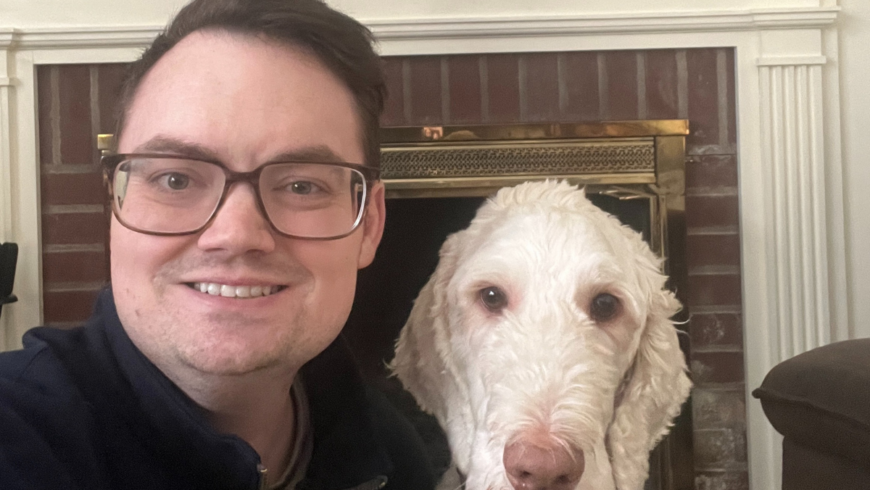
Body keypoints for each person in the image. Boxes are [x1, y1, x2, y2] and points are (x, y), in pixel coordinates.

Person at [0, 0, 436, 489]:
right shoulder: (18, 437)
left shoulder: (390, 449)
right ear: (114, 208)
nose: (236, 235)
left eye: (302, 187)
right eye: (175, 180)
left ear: (370, 224)